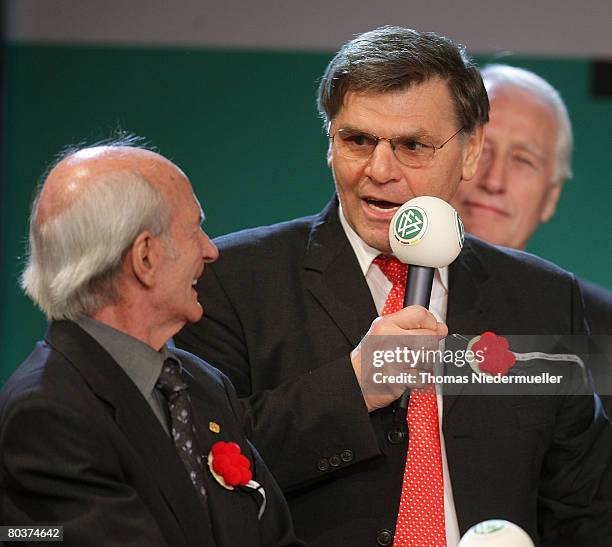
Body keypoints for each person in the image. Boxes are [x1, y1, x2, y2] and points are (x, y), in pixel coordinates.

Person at [175, 27, 612, 546]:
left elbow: (584, 508)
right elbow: (196, 468)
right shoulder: (232, 280)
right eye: (358, 140)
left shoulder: (542, 300)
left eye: (413, 146)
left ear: (470, 153)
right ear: (330, 143)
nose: (379, 171)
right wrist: (352, 387)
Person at [0, 143, 305, 547]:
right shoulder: (49, 413)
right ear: (145, 258)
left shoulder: (201, 384)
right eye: (195, 229)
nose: (210, 250)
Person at [451, 64, 612, 334]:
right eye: (481, 151)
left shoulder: (601, 326)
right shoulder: (383, 293)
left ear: (552, 196)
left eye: (522, 160)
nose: (493, 181)